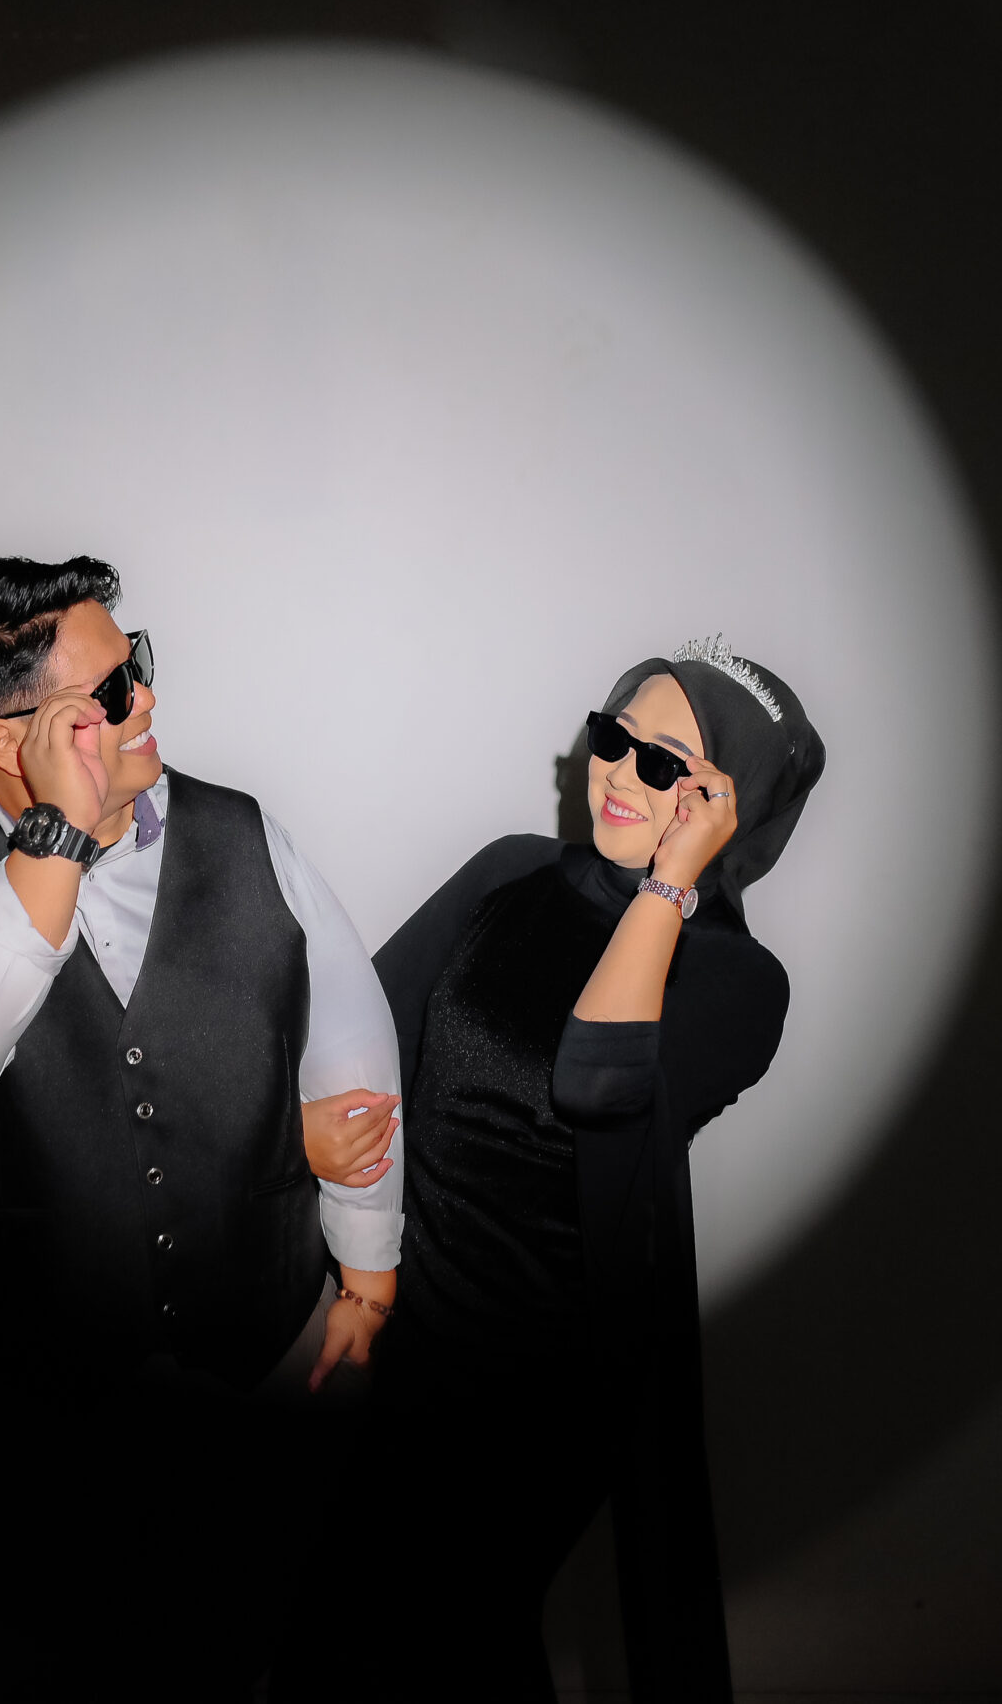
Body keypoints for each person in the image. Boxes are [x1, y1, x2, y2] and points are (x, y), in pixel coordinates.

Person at [0, 556, 405, 1699]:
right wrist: (55, 835)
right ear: (10, 742)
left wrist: (367, 1277)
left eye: (133, 664)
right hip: (13, 1447)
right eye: (106, 693)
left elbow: (350, 1046)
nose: (144, 698)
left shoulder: (243, 831)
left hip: (247, 1401)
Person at [288, 636, 825, 1703]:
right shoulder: (510, 874)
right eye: (614, 738)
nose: (620, 773)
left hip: (537, 1388)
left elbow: (594, 1078)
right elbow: (363, 1045)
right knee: (331, 1630)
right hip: (396, 1322)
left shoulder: (739, 984)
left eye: (667, 764)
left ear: (729, 802)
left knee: (449, 1636)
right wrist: (339, 1229)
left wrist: (668, 887)